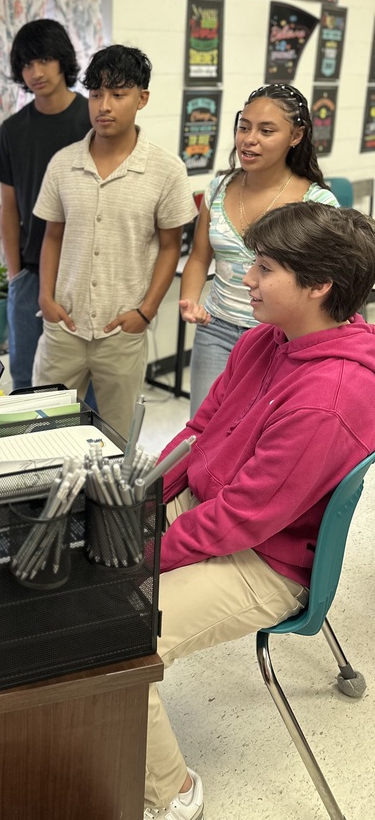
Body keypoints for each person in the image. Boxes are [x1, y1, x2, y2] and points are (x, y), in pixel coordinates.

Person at [144, 201, 375, 820]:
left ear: (319, 285)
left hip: (264, 561)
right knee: (75, 561)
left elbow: (244, 519)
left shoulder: (330, 398)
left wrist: (143, 556)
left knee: (112, 639)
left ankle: (173, 795)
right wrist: (142, 497)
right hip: (211, 512)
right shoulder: (266, 340)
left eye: (264, 268)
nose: (244, 278)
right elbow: (198, 431)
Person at [32, 44, 196, 439]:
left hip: (121, 330)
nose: (104, 105)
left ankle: (108, 503)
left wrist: (145, 313)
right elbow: (52, 235)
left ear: (142, 99)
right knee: (39, 427)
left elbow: (171, 246)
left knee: (118, 437)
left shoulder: (167, 170)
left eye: (118, 95)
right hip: (63, 325)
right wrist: (46, 299)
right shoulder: (63, 162)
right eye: (96, 94)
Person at [180, 82, 338, 413]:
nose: (249, 139)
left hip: (281, 338)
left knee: (260, 435)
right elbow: (198, 257)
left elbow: (323, 287)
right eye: (244, 127)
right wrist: (191, 299)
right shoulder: (218, 188)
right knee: (204, 430)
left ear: (296, 136)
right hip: (216, 330)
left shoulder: (316, 203)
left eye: (266, 131)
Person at [0, 19, 91, 390]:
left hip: (85, 269)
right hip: (31, 272)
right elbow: (9, 207)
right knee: (26, 376)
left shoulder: (93, 121)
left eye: (44, 60)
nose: (36, 72)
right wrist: (15, 275)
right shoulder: (13, 130)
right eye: (27, 65)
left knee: (86, 381)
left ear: (63, 61)